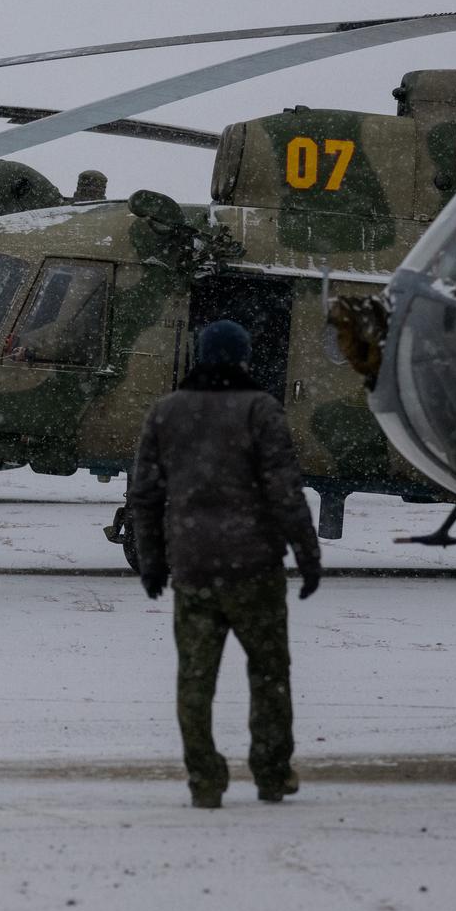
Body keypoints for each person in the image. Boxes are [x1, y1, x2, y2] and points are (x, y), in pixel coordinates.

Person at [126, 320, 322, 810]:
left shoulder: (166, 412)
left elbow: (145, 496)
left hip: (192, 567)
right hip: (255, 566)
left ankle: (205, 780)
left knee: (195, 679)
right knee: (269, 673)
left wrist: (152, 561)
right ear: (243, 357)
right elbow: (285, 490)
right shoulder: (261, 410)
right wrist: (307, 552)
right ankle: (273, 772)